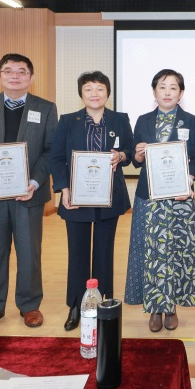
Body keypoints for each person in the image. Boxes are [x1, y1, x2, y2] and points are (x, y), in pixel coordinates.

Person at [0, 53, 58, 335]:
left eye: (21, 71)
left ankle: (29, 305)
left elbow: (51, 150)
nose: (15, 76)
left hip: (28, 194)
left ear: (31, 77)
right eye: (8, 71)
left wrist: (35, 182)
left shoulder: (46, 108)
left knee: (29, 252)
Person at [50, 71, 135, 332]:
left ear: (107, 93)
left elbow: (130, 152)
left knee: (104, 251)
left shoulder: (120, 119)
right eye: (88, 89)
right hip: (77, 198)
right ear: (81, 94)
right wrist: (63, 189)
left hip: (109, 197)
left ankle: (103, 302)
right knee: (77, 252)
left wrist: (121, 155)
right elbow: (56, 158)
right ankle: (77, 304)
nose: (94, 94)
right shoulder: (68, 121)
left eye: (100, 88)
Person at [124, 69, 195, 332]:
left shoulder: (191, 121)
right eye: (162, 87)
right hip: (149, 198)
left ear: (181, 93)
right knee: (151, 254)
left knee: (176, 253)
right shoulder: (143, 120)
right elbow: (136, 160)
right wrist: (137, 155)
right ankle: (154, 308)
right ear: (154, 91)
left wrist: (189, 180)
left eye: (173, 87)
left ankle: (171, 307)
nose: (167, 92)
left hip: (180, 198)